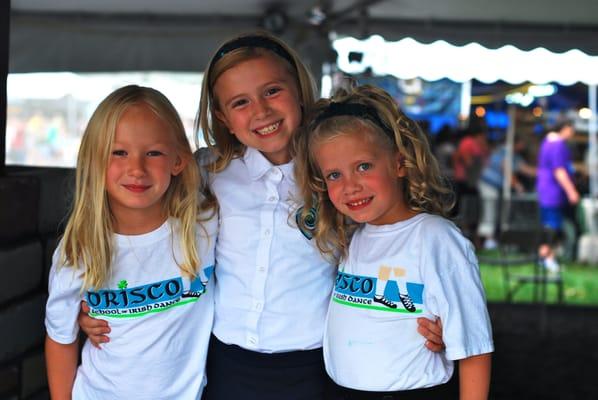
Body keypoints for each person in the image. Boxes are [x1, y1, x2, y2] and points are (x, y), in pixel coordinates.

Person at [78, 32, 444, 399]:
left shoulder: (335, 174)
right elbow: (148, 233)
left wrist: (433, 309)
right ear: (223, 116)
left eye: (272, 91)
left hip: (315, 365)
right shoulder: (208, 170)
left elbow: (394, 237)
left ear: (300, 90)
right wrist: (102, 302)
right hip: (225, 363)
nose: (261, 111)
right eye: (240, 102)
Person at [294, 85, 494, 400]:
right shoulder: (353, 238)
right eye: (334, 175)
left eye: (363, 167)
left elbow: (474, 345)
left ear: (399, 163)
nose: (350, 187)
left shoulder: (435, 238)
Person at [44, 85, 217, 399]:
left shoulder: (205, 227)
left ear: (178, 160)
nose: (136, 169)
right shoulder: (79, 249)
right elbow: (60, 338)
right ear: (95, 160)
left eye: (153, 153)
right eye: (119, 152)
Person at [536, 121, 580, 272]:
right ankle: (547, 258)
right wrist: (571, 191)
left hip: (545, 190)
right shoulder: (557, 144)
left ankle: (545, 257)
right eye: (571, 130)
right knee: (552, 226)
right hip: (552, 192)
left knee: (548, 224)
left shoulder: (547, 142)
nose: (572, 134)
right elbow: (559, 170)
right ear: (565, 128)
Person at [478, 136, 536, 249]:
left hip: (493, 186)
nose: (524, 146)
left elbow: (526, 169)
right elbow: (506, 168)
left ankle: (491, 239)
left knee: (494, 211)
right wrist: (517, 185)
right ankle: (487, 240)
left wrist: (544, 172)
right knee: (490, 211)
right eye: (522, 143)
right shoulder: (505, 152)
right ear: (516, 143)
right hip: (488, 184)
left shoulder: (514, 155)